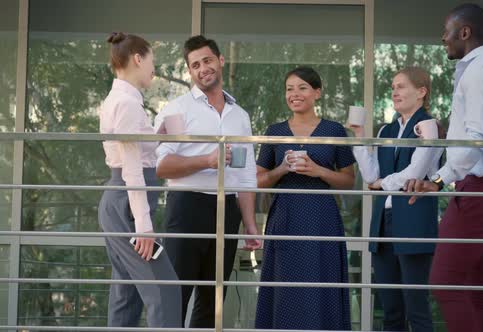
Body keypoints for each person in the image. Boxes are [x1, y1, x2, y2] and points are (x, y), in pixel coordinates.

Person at [404, 4, 483, 332]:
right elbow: (479, 131)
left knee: (446, 281)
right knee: (478, 286)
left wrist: (440, 179)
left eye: (447, 31)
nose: (443, 38)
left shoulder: (480, 71)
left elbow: (480, 138)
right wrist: (446, 131)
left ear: (465, 32)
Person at [154, 35, 261, 328]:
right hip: (186, 207)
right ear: (190, 71)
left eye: (208, 61)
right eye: (195, 65)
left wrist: (250, 225)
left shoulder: (240, 116)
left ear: (221, 61)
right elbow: (162, 165)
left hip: (227, 211)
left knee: (213, 301)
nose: (203, 69)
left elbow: (246, 173)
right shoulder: (177, 109)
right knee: (175, 297)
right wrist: (207, 160)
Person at [255, 66, 355, 330]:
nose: (294, 94)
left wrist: (318, 170)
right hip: (285, 218)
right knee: (284, 286)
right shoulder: (274, 132)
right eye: (289, 89)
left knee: (322, 284)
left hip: (322, 219)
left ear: (317, 93)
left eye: (302, 88)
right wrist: (281, 169)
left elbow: (348, 181)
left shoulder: (334, 131)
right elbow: (257, 180)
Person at [98, 32, 181, 328]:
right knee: (165, 288)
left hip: (123, 201)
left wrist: (159, 137)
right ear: (137, 58)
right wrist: (144, 225)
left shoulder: (123, 100)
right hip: (128, 203)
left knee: (126, 292)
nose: (153, 69)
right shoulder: (126, 103)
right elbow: (131, 166)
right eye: (151, 62)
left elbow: (136, 153)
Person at [350, 67, 442, 332]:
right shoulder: (385, 130)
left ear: (421, 92)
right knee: (390, 310)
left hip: (414, 220)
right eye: (393, 87)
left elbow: (415, 173)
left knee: (417, 309)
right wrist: (358, 135)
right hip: (383, 222)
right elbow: (370, 176)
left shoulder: (429, 127)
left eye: (401, 86)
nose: (394, 92)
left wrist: (382, 184)